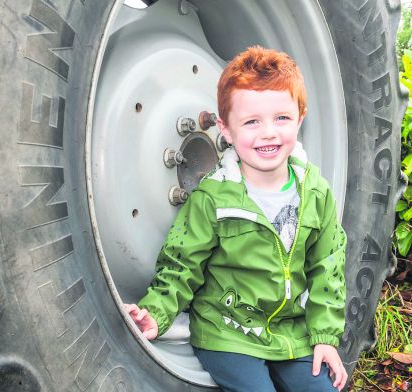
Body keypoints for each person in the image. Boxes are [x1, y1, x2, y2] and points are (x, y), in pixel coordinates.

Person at [124, 46, 348, 392]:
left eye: (282, 118)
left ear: (300, 119)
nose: (269, 133)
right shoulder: (214, 197)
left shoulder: (315, 193)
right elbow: (181, 265)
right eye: (252, 122)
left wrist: (325, 336)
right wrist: (156, 311)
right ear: (226, 130)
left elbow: (327, 268)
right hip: (228, 331)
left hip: (290, 333)